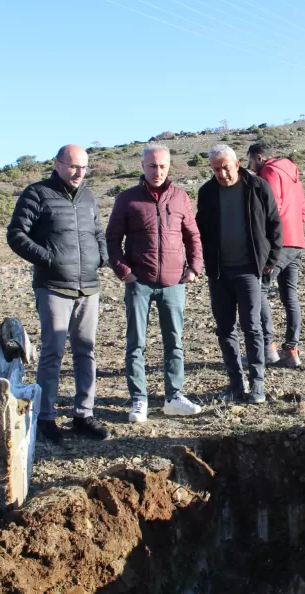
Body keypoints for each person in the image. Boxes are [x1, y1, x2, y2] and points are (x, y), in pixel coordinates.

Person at [7, 144, 109, 443]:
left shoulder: (89, 197)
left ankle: (83, 415)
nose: (79, 172)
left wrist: (101, 257)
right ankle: (46, 418)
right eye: (73, 166)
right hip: (53, 286)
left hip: (88, 286)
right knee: (52, 353)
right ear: (58, 164)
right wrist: (48, 258)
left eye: (84, 167)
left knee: (86, 351)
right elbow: (16, 234)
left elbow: (98, 232)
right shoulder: (37, 193)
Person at [106, 144, 204, 424]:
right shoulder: (127, 199)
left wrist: (194, 268)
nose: (157, 171)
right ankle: (139, 400)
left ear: (169, 166)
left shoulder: (180, 198)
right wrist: (124, 271)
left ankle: (174, 397)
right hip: (139, 282)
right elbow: (112, 239)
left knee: (175, 342)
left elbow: (193, 236)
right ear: (142, 166)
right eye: (152, 166)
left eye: (162, 166)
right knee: (136, 343)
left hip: (174, 284)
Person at [195, 144, 282, 404]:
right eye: (216, 169)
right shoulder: (207, 192)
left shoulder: (257, 186)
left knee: (252, 327)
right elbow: (200, 229)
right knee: (224, 330)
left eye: (225, 167)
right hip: (219, 273)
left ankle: (257, 384)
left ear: (236, 164)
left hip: (248, 270)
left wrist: (272, 259)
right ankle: (235, 384)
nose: (222, 173)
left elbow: (275, 224)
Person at [247, 142, 305, 368]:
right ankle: (292, 351)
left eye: (251, 161)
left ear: (259, 157)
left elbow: (271, 207)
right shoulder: (292, 172)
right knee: (289, 296)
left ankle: (268, 348)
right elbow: (303, 210)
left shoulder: (269, 172)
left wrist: (265, 239)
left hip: (278, 244)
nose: (249, 166)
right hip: (296, 241)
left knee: (260, 289)